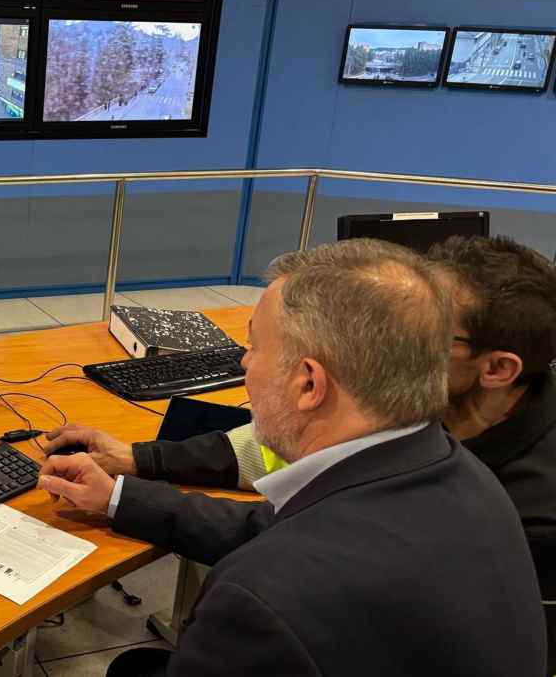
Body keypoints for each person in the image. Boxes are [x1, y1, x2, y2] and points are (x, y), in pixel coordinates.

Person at [38, 239, 547, 676]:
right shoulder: (460, 472)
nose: (243, 364)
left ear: (308, 383)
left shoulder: (262, 601)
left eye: (254, 346)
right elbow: (275, 525)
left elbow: (285, 554)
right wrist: (116, 496)